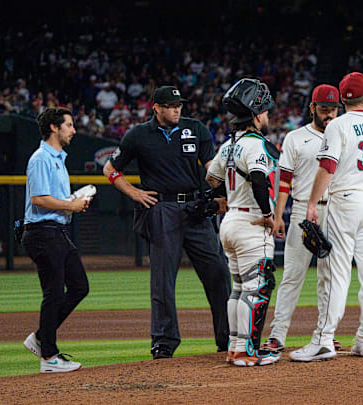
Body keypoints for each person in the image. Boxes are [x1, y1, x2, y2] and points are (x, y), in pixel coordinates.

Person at [103, 86, 231, 359]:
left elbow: (211, 167)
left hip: (196, 209)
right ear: (156, 107)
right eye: (171, 105)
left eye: (179, 105)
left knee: (219, 271)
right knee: (163, 280)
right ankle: (164, 341)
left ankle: (228, 336)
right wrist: (134, 193)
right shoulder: (139, 135)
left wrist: (220, 195)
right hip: (162, 208)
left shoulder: (196, 129)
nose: (177, 109)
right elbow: (110, 168)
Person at [289, 72, 363, 361]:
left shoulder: (337, 125)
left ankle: (324, 340)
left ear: (343, 99)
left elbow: (327, 167)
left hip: (348, 200)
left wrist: (312, 202)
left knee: (338, 274)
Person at [260, 84, 342, 352]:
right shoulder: (296, 137)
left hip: (336, 211)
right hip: (300, 211)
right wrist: (279, 214)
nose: (329, 114)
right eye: (324, 109)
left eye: (333, 109)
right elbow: (284, 180)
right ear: (313, 109)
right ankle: (278, 335)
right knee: (292, 275)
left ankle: (325, 334)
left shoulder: (344, 135)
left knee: (329, 277)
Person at [206, 78, 281, 366]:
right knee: (258, 287)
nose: (267, 116)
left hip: (230, 221)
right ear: (256, 114)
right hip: (251, 223)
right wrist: (268, 215)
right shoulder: (254, 145)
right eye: (265, 112)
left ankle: (236, 347)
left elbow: (212, 179)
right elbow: (260, 181)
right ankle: (248, 351)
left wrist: (226, 195)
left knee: (238, 288)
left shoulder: (228, 145)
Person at [22, 107, 91, 373]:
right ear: (54, 127)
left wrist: (73, 202)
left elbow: (53, 200)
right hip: (42, 232)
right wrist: (69, 205)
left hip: (56, 232)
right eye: (69, 125)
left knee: (79, 286)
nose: (73, 130)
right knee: (53, 292)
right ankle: (49, 357)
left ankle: (41, 337)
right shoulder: (41, 158)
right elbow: (38, 199)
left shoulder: (59, 158)